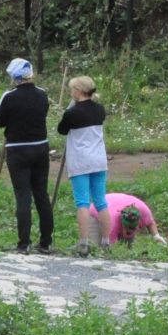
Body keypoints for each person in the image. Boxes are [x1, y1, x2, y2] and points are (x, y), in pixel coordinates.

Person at [0, 57, 55, 255]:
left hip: (18, 150)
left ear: (13, 77)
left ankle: (23, 244)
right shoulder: (42, 95)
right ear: (31, 74)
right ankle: (45, 242)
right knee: (41, 194)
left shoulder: (8, 97)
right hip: (40, 148)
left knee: (23, 195)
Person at [57, 75, 110, 257]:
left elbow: (62, 129)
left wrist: (70, 107)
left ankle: (84, 243)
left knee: (82, 202)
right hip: (99, 159)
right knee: (101, 201)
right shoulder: (100, 109)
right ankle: (106, 242)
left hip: (80, 161)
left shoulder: (72, 113)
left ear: (78, 91)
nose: (71, 92)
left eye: (72, 89)